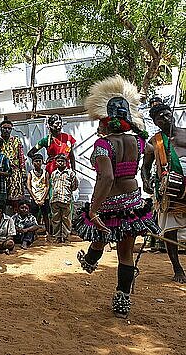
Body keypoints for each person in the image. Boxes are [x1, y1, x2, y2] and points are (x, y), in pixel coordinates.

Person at [74, 76, 158, 319]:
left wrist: (94, 209)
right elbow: (150, 151)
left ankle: (90, 260)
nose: (98, 124)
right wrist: (144, 173)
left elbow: (107, 178)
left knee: (101, 232)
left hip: (110, 202)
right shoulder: (139, 142)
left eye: (101, 120)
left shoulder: (103, 145)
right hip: (132, 200)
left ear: (107, 121)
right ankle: (122, 300)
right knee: (125, 253)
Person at [141, 103, 186, 283]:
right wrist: (146, 182)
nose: (165, 119)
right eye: (160, 117)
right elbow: (145, 167)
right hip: (168, 190)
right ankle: (177, 269)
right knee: (169, 230)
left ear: (172, 114)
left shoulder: (185, 133)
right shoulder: (154, 142)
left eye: (167, 114)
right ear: (155, 122)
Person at [49, 154, 78, 243]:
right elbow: (52, 185)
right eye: (58, 161)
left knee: (66, 219)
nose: (60, 163)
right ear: (56, 162)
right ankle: (57, 237)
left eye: (63, 161)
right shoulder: (54, 173)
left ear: (66, 162)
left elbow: (74, 186)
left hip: (66, 199)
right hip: (55, 199)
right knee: (56, 219)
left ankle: (65, 236)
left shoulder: (70, 173)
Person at [0, 119, 26, 213]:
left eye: (9, 128)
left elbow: (21, 156)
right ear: (0, 129)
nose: (7, 130)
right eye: (4, 128)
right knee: (2, 199)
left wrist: (23, 172)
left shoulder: (16, 140)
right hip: (1, 173)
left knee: (15, 199)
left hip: (15, 173)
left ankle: (16, 220)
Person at [27, 153, 50, 234]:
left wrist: (43, 199)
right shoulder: (30, 173)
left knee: (45, 215)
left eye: (39, 161)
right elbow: (29, 187)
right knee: (34, 215)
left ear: (42, 162)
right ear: (32, 163)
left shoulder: (45, 173)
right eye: (36, 161)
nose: (38, 163)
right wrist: (34, 198)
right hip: (34, 198)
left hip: (44, 198)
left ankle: (48, 231)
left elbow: (47, 186)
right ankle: (33, 232)